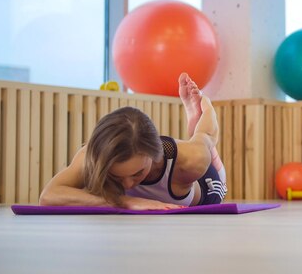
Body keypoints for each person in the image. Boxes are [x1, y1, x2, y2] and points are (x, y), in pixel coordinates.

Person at [39, 73, 227, 210]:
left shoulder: (191, 160)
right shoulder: (93, 156)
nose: (128, 185)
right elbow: (48, 196)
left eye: (138, 174)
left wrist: (206, 106)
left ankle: (194, 117)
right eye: (117, 177)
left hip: (205, 185)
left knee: (203, 145)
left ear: (153, 157)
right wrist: (124, 201)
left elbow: (208, 134)